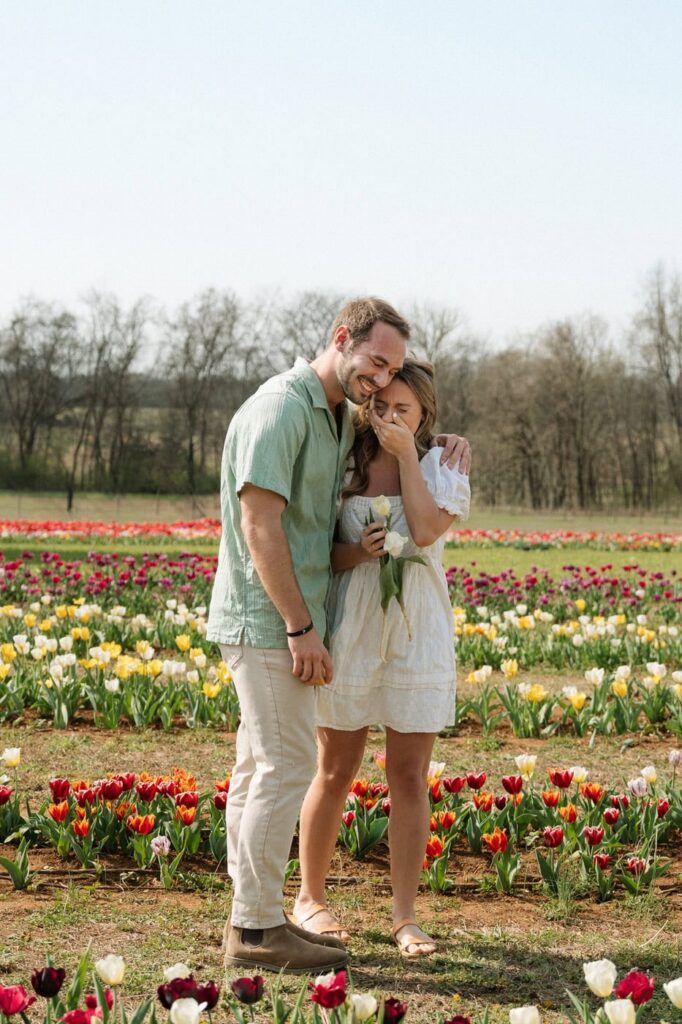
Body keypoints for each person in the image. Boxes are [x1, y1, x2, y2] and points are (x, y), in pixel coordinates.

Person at [207, 297, 470, 974]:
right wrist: (304, 622)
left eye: (393, 385)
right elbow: (270, 528)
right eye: (376, 374)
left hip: (356, 626)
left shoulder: (344, 426)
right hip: (301, 623)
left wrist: (416, 452)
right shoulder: (301, 419)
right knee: (298, 766)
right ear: (342, 339)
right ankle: (270, 920)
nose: (381, 392)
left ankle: (266, 918)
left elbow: (416, 525)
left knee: (268, 768)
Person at [293, 358, 470, 959]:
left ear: (425, 417)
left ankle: (404, 916)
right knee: (335, 768)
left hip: (416, 630)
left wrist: (407, 458)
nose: (389, 417)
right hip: (354, 627)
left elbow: (422, 532)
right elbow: (322, 554)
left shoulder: (444, 464)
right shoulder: (343, 458)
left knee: (408, 775)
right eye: (382, 406)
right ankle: (310, 899)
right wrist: (357, 552)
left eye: (404, 410)